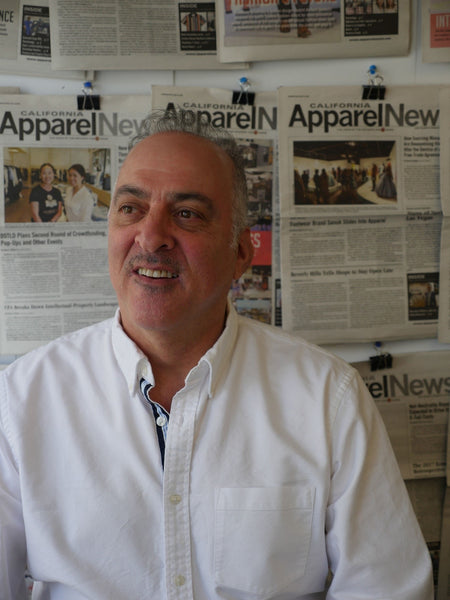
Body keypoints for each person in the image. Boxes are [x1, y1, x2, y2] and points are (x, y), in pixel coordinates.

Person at [0, 109, 433, 599]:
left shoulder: (327, 399)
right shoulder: (22, 400)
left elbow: (387, 588)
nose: (151, 236)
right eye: (130, 208)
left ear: (241, 255)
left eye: (187, 213)